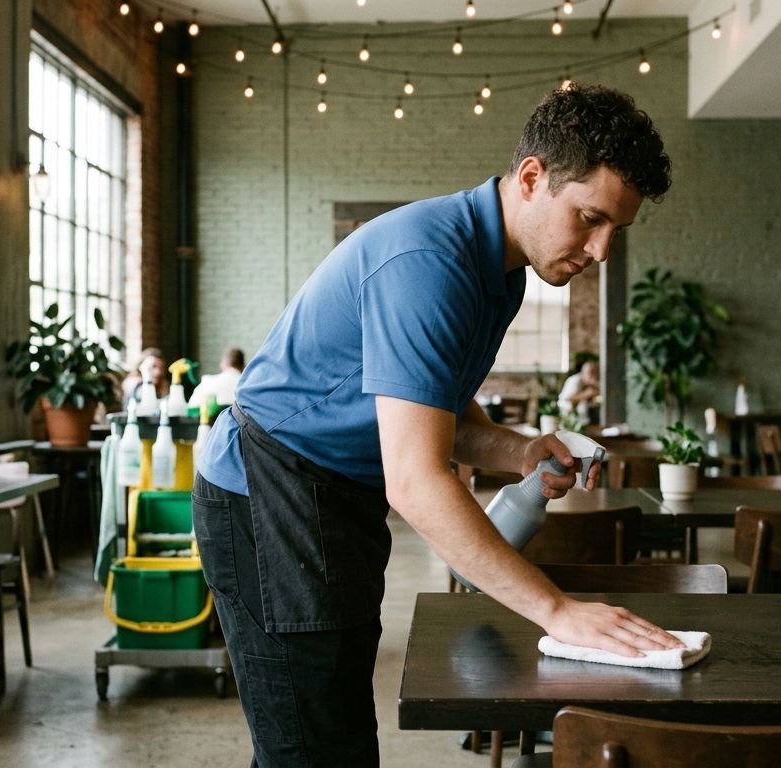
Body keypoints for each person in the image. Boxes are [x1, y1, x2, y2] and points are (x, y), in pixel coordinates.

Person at [193, 85, 679, 767]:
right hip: (270, 489)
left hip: (333, 497)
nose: (600, 250)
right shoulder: (430, 262)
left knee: (322, 737)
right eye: (589, 218)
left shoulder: (501, 270)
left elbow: (435, 410)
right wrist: (557, 611)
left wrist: (518, 450)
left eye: (615, 231)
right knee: (313, 747)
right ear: (532, 178)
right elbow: (417, 479)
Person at [557, 357, 600, 421]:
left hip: (579, 417)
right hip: (566, 414)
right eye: (590, 373)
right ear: (583, 372)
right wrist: (587, 394)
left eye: (595, 373)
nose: (593, 376)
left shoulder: (587, 383)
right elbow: (568, 398)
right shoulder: (575, 380)